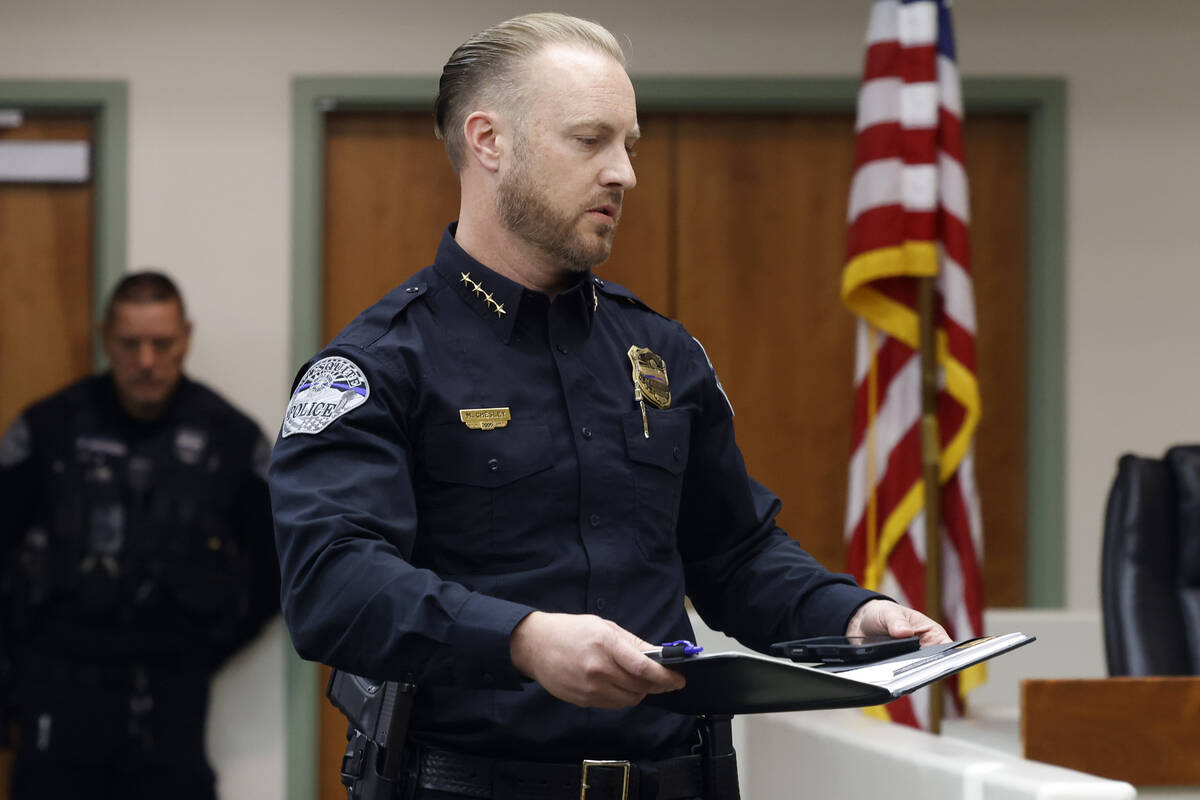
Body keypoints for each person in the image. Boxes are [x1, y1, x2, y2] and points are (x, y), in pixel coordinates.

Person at [269, 12, 949, 800]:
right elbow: (333, 587)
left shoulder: (660, 353)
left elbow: (733, 554)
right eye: (591, 140)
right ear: (489, 142)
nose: (624, 172)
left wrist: (851, 617)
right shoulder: (378, 365)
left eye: (628, 144)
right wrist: (522, 640)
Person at [0, 272, 280, 800]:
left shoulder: (230, 441)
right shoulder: (49, 431)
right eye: (130, 344)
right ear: (105, 337)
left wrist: (203, 646)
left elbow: (276, 570)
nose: (146, 361)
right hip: (57, 696)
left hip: (171, 701)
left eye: (162, 343)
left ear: (186, 337)